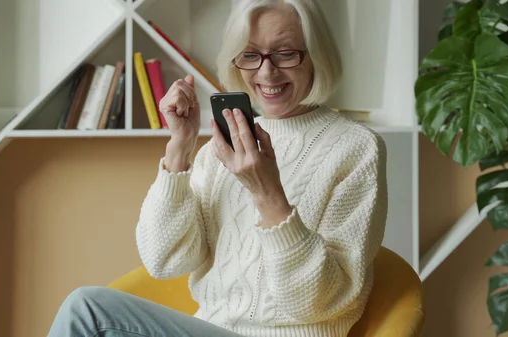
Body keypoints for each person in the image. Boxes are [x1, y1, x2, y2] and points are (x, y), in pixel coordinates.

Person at [47, 0, 388, 336]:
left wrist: (267, 193)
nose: (266, 72)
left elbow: (315, 303)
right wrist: (180, 147)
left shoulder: (355, 149)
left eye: (285, 53)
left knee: (88, 311)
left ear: (317, 55)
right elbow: (165, 261)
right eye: (250, 55)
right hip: (210, 327)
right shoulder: (219, 150)